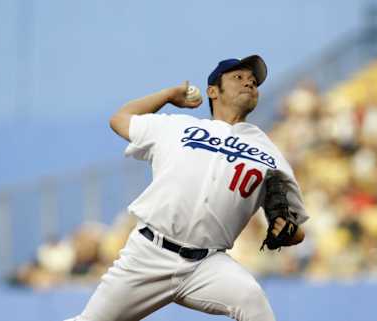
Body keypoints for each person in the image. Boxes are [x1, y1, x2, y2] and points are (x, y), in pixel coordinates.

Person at [66, 55, 309, 321]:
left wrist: (288, 232)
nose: (249, 83)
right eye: (238, 78)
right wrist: (168, 95)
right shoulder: (178, 126)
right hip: (149, 254)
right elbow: (120, 119)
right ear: (212, 91)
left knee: (252, 300)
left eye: (253, 81)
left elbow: (293, 229)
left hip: (207, 265)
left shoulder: (270, 154)